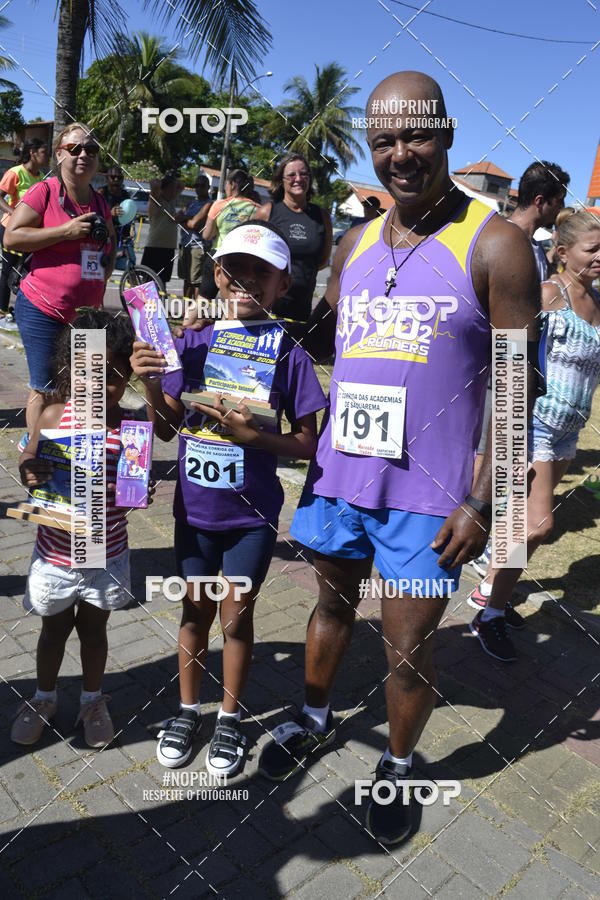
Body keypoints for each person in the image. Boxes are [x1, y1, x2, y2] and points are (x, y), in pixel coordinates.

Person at [257, 71, 541, 846]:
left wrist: (485, 501)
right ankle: (313, 716)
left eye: (415, 135)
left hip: (430, 496)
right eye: (383, 140)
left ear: (447, 133)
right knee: (328, 609)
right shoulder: (353, 242)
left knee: (407, 653)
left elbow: (518, 391)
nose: (400, 154)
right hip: (342, 476)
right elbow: (324, 341)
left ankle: (401, 763)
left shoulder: (498, 244)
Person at [131, 221, 326, 771]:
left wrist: (257, 438)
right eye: (234, 269)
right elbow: (168, 428)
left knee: (236, 619)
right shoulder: (191, 339)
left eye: (260, 272)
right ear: (217, 275)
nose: (245, 281)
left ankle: (230, 719)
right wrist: (148, 382)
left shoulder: (288, 352)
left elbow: (310, 440)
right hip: (193, 509)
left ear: (283, 283)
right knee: (194, 612)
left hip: (250, 516)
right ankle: (188, 709)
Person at [470, 208, 600, 662]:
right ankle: (490, 612)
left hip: (569, 431)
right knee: (538, 526)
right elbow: (508, 356)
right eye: (593, 249)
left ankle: (490, 589)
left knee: (520, 527)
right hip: (536, 424)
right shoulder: (548, 295)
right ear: (563, 253)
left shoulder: (597, 303)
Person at [10, 308, 139, 749]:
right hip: (55, 555)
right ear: (69, 370)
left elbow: (134, 493)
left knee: (94, 632)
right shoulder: (49, 416)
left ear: (127, 381)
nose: (102, 389)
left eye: (115, 378)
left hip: (106, 552)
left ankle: (91, 699)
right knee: (51, 631)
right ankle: (44, 697)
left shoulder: (129, 429)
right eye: (91, 374)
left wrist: (132, 494)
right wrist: (30, 470)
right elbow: (27, 457)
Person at [468, 160, 570, 580]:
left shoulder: (533, 249)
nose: (561, 209)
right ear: (541, 201)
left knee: (507, 458)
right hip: (496, 369)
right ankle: (477, 537)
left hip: (519, 369)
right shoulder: (504, 242)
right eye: (558, 200)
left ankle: (489, 540)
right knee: (486, 455)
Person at [4, 123, 116, 436]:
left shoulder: (99, 200)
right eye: (75, 148)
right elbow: (12, 236)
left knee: (83, 389)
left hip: (87, 315)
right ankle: (36, 458)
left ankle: (69, 455)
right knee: (46, 387)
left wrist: (105, 265)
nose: (84, 155)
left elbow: (110, 239)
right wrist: (65, 232)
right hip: (43, 308)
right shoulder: (46, 190)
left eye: (91, 150)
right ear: (59, 154)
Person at [253, 153, 332, 322]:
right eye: (291, 175)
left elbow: (323, 260)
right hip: (266, 310)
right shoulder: (267, 212)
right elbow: (249, 255)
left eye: (303, 174)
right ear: (281, 180)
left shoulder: (322, 216)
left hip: (302, 309)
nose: (298, 179)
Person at [0, 139, 49, 329]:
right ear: (32, 153)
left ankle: (23, 312)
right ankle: (2, 312)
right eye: (44, 152)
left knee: (28, 271)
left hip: (30, 233)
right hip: (10, 229)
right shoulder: (15, 173)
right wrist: (14, 213)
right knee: (8, 269)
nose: (48, 156)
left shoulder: (42, 177)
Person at [201, 169, 259, 300]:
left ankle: (192, 320)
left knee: (202, 301)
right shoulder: (257, 209)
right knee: (233, 303)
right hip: (242, 259)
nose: (225, 187)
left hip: (218, 255)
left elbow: (207, 235)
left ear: (232, 184)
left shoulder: (219, 205)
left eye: (226, 184)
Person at [141, 172, 183, 285]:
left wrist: (172, 178)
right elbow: (154, 190)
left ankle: (159, 302)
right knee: (148, 280)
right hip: (155, 247)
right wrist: (158, 186)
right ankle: (143, 303)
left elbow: (182, 185)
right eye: (172, 188)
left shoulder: (171, 201)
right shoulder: (156, 200)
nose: (175, 191)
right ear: (165, 189)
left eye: (175, 189)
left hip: (168, 248)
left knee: (162, 281)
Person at [177, 174, 212, 302]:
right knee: (186, 280)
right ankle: (186, 311)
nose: (198, 188)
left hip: (198, 247)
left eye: (201, 185)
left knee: (196, 282)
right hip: (185, 245)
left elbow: (194, 224)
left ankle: (195, 312)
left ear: (208, 187)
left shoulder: (209, 204)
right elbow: (177, 217)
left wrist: (186, 219)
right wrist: (190, 219)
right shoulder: (191, 202)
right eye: (196, 185)